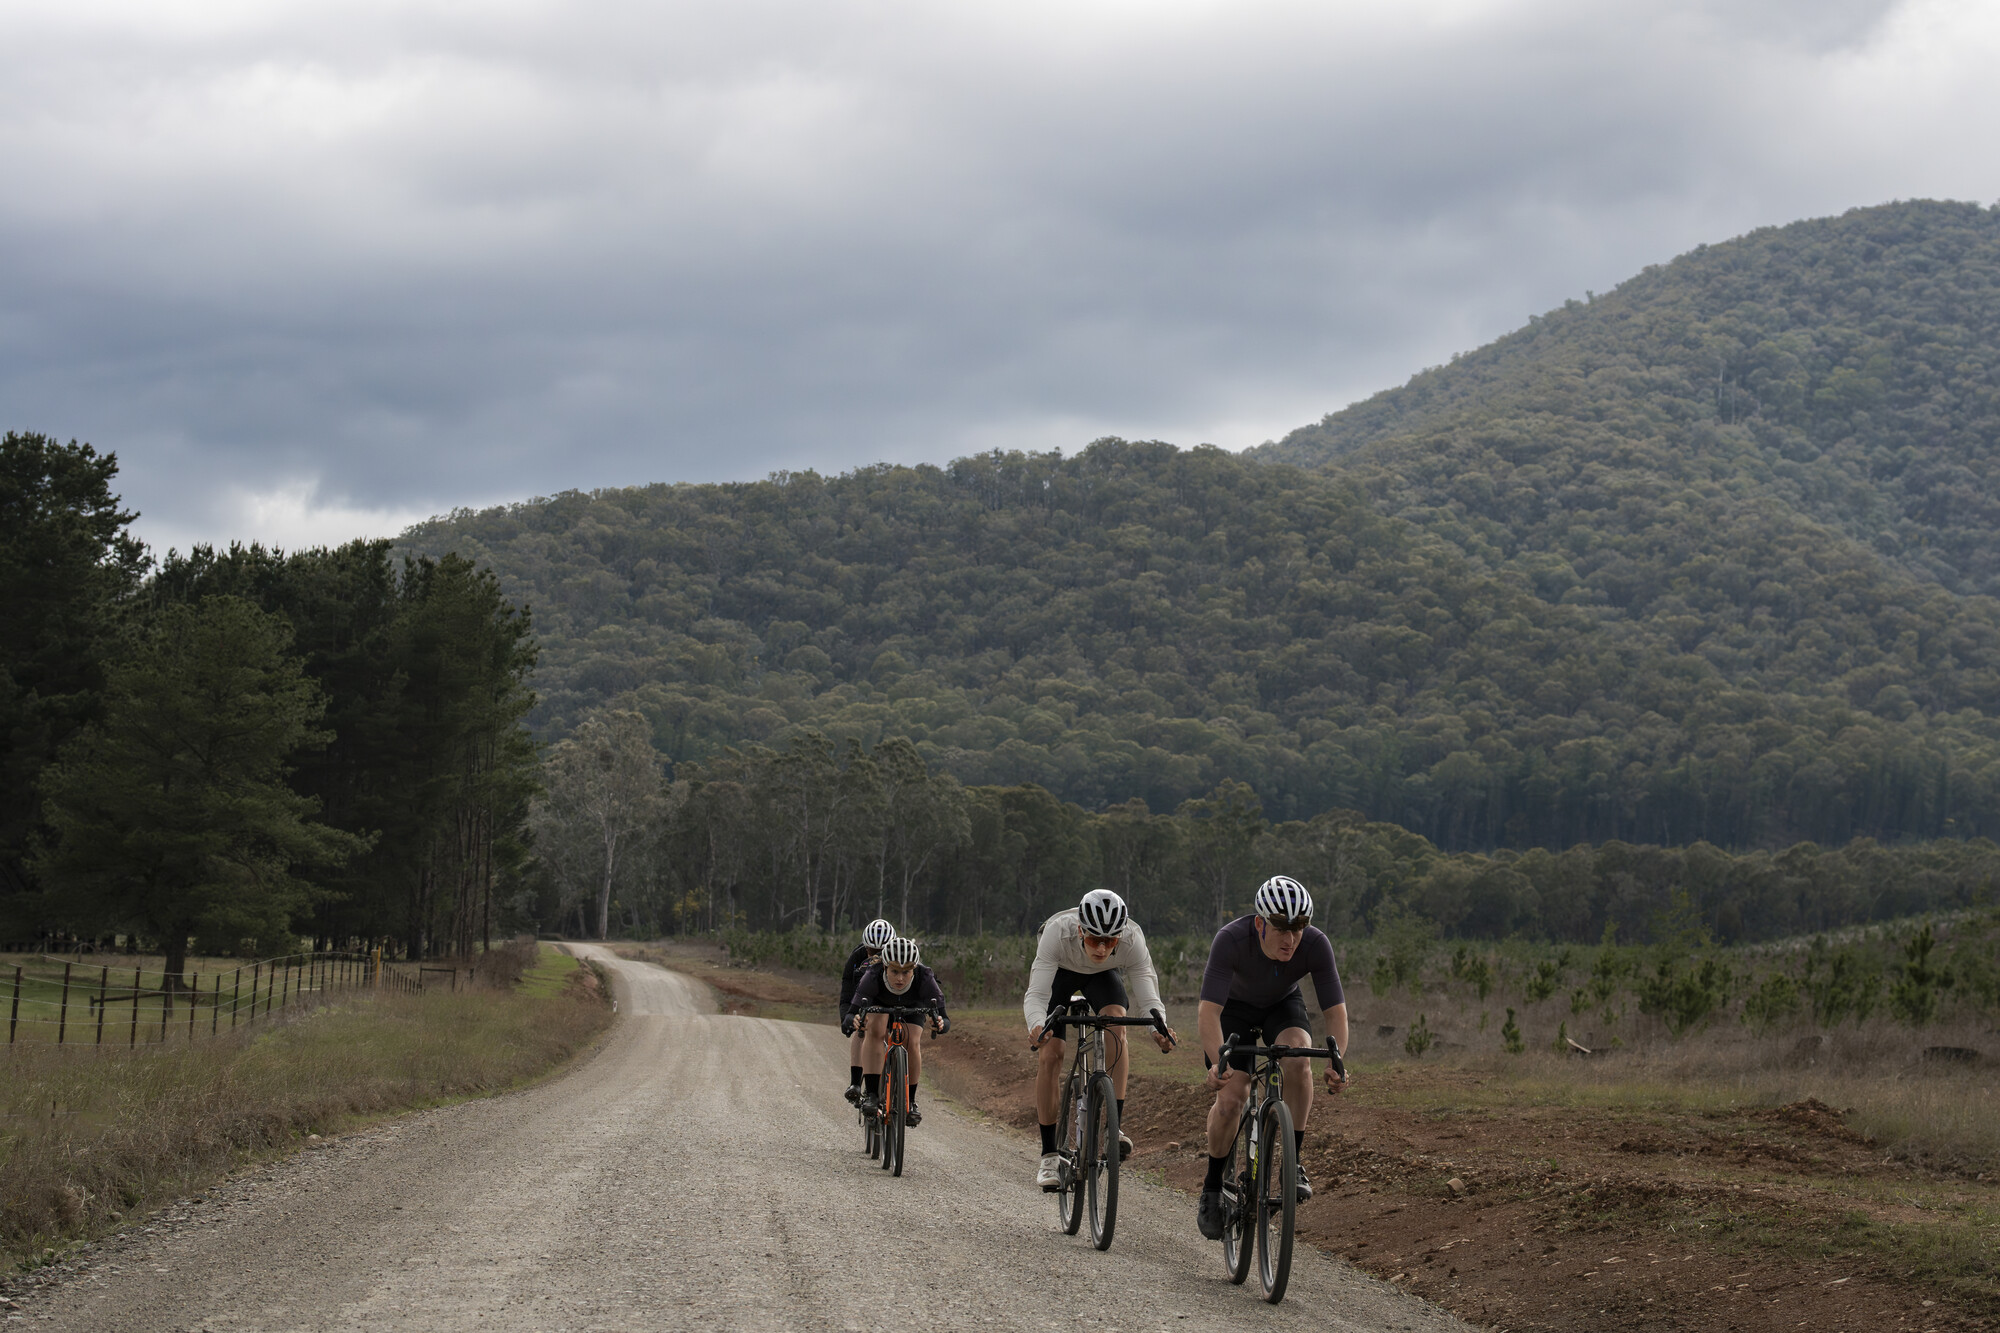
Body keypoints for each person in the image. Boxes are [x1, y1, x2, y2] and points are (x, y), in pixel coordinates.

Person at [1194, 875, 1348, 1240]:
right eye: (1280, 928)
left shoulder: (1316, 944)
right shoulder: (1231, 939)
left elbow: (1336, 1013)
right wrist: (1219, 1062)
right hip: (1234, 1010)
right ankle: (1213, 1186)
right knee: (1232, 1098)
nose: (1290, 939)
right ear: (1260, 923)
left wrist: (1337, 1060)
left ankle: (1292, 1164)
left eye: (1298, 928)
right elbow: (1208, 1012)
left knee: (1299, 1058)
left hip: (1282, 1005)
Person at [1024, 888, 1177, 1191]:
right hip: (1061, 975)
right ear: (1081, 930)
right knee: (1051, 1054)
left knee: (1117, 1026)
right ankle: (1049, 1156)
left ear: (1120, 936)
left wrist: (1159, 1028)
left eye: (1110, 941)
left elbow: (1148, 995)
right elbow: (1038, 993)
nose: (1102, 948)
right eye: (1095, 939)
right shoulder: (1057, 932)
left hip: (1102, 978)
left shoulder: (1132, 938)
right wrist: (1037, 1026)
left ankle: (1113, 1129)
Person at [852, 935, 950, 1126]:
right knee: (875, 1032)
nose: (900, 978)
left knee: (912, 1041)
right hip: (880, 1002)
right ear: (885, 967)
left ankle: (910, 1101)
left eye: (906, 972)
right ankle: (872, 1094)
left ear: (915, 969)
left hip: (914, 1005)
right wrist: (855, 1019)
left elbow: (944, 1018)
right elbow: (853, 1011)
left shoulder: (925, 976)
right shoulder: (872, 974)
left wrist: (940, 1023)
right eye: (895, 971)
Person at [841, 919, 897, 1104]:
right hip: (866, 996)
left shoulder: (902, 954)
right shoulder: (856, 957)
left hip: (894, 996)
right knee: (862, 1027)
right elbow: (848, 991)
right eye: (871, 952)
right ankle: (855, 1083)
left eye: (881, 953)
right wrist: (847, 1018)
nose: (875, 957)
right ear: (865, 947)